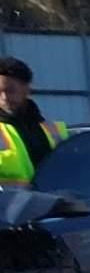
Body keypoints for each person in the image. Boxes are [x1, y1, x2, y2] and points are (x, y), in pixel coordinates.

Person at [0, 55, 67, 186]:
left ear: (27, 89)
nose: (3, 98)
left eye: (10, 91)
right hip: (9, 206)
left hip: (56, 203)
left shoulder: (54, 130)